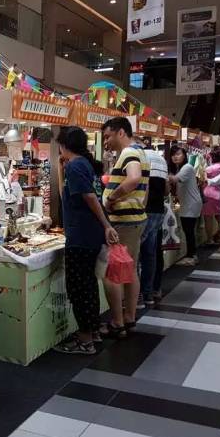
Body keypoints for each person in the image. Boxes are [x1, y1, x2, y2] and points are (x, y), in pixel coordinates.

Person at [53, 127, 118, 355]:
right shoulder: (82, 165)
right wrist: (60, 169)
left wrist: (107, 225)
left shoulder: (76, 166)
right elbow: (66, 196)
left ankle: (85, 339)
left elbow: (90, 198)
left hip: (81, 235)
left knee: (78, 288)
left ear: (64, 145)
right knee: (88, 285)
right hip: (86, 234)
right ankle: (93, 331)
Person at [100, 117, 149, 339]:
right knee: (130, 270)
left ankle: (117, 323)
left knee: (112, 273)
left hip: (124, 222)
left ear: (121, 132)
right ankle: (129, 318)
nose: (106, 142)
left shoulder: (129, 153)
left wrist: (112, 198)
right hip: (133, 219)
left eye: (108, 136)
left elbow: (134, 178)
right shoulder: (139, 152)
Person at [138, 140, 168, 309]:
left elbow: (142, 185)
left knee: (135, 255)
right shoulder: (161, 159)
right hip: (158, 210)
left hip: (143, 210)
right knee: (150, 254)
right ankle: (148, 294)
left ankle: (137, 297)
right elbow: (166, 190)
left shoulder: (139, 156)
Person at [168, 146, 203, 266]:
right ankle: (190, 254)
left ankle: (192, 256)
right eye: (173, 155)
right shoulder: (181, 168)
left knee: (188, 230)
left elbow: (175, 179)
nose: (175, 157)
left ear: (184, 155)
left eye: (178, 154)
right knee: (188, 230)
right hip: (187, 203)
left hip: (191, 204)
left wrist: (160, 173)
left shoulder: (187, 167)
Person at [202, 148, 220, 246]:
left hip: (209, 194)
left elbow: (203, 179)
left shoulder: (210, 169)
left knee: (208, 217)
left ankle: (210, 239)